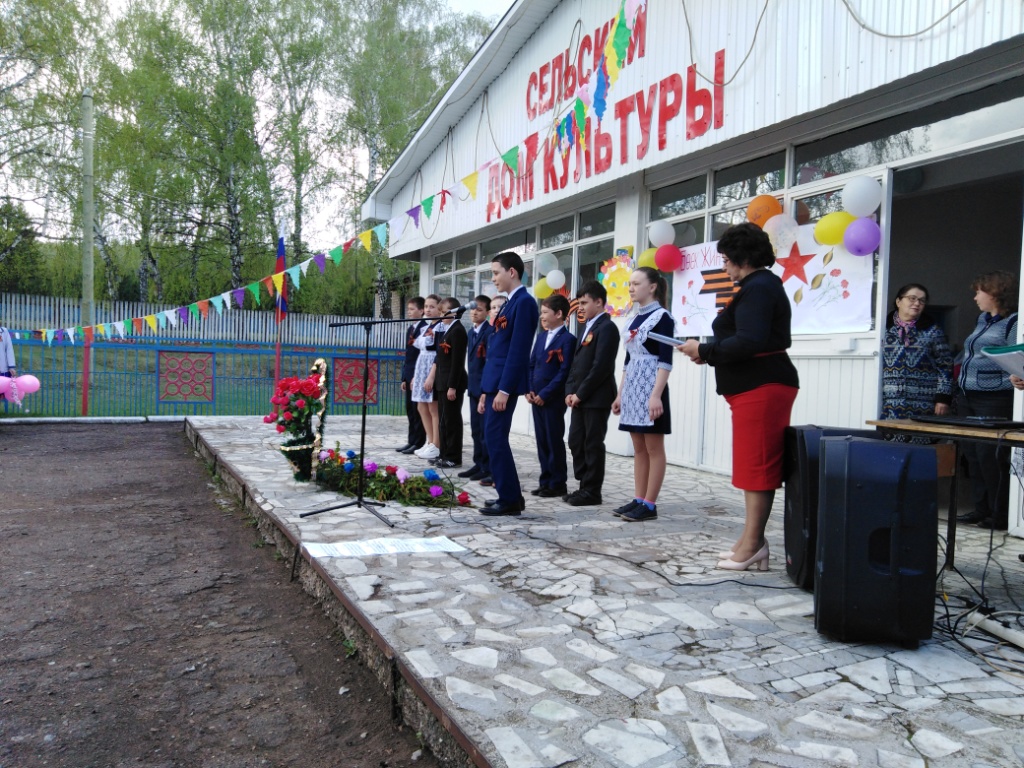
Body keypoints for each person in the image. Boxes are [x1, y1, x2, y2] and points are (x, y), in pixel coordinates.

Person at [678, 223, 799, 572]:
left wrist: (705, 350)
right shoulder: (756, 286)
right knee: (751, 464)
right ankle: (751, 539)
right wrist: (708, 353)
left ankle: (753, 544)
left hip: (762, 386)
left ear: (742, 258)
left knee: (758, 466)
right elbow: (745, 339)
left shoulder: (759, 287)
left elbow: (750, 340)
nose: (724, 266)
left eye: (727, 260)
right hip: (753, 386)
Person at [955, 270, 1019, 530]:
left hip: (994, 397)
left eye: (978, 292)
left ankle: (999, 513)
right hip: (968, 395)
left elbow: (1016, 358)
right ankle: (981, 509)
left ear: (994, 293)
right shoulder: (983, 319)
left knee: (990, 456)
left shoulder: (1013, 322)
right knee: (972, 454)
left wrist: (1013, 379)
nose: (975, 297)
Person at [478, 254, 539, 516]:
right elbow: (498, 347)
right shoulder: (510, 303)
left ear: (511, 272)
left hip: (504, 384)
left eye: (496, 272)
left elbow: (518, 350)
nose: (493, 278)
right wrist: (487, 390)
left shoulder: (524, 302)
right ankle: (510, 495)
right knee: (493, 438)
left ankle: (510, 498)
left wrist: (504, 389)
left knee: (495, 438)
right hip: (495, 383)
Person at [611, 267, 674, 522]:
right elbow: (628, 361)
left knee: (653, 447)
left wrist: (656, 395)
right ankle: (638, 498)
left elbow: (666, 360)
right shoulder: (633, 318)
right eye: (630, 284)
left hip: (651, 388)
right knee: (638, 447)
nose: (631, 288)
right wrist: (620, 394)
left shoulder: (663, 317)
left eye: (636, 283)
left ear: (653, 287)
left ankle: (650, 503)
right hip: (633, 387)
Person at [564, 281, 619, 507]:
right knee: (576, 441)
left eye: (585, 303)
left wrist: (581, 393)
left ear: (599, 302)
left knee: (592, 444)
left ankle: (592, 491)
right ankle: (583, 485)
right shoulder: (587, 327)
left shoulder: (607, 328)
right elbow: (576, 363)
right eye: (579, 303)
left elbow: (601, 367)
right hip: (579, 398)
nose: (581, 308)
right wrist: (570, 391)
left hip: (596, 398)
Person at [881, 283, 953, 441]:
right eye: (912, 298)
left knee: (920, 445)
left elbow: (945, 365)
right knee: (889, 447)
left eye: (922, 300)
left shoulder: (932, 331)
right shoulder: (882, 329)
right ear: (898, 301)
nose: (917, 303)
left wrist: (943, 398)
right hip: (888, 403)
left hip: (923, 402)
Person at [527, 294, 575, 498]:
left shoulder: (568, 340)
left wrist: (545, 394)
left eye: (545, 312)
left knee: (553, 440)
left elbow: (564, 372)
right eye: (541, 312)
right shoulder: (541, 337)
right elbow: (531, 365)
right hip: (535, 397)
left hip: (553, 399)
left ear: (559, 314)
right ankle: (545, 480)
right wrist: (530, 389)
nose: (542, 316)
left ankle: (557, 483)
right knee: (541, 440)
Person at [431, 297, 468, 469]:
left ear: (453, 312)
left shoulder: (458, 331)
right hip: (442, 383)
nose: (440, 315)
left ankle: (453, 456)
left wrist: (452, 386)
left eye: (443, 311)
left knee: (451, 421)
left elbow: (457, 362)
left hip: (451, 384)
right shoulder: (448, 330)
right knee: (443, 421)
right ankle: (443, 454)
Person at [459, 295, 493, 481]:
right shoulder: (471, 332)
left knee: (484, 431)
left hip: (484, 388)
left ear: (487, 312)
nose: (474, 312)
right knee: (475, 429)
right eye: (473, 309)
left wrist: (485, 390)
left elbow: (488, 363)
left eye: (479, 310)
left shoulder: (489, 332)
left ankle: (487, 466)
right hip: (473, 387)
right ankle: (478, 462)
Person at [475, 294, 506, 488]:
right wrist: (484, 394)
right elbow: (488, 365)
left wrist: (503, 390)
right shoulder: (493, 333)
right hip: (489, 389)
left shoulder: (505, 332)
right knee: (488, 435)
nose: (495, 311)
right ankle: (494, 472)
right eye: (493, 308)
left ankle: (500, 476)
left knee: (497, 436)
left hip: (501, 391)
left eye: (499, 307)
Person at [412, 295, 442, 460]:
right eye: (426, 306)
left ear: (439, 308)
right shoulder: (425, 327)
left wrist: (431, 376)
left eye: (432, 306)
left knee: (433, 408)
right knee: (421, 406)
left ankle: (436, 444)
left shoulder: (440, 327)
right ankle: (429, 441)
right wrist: (415, 377)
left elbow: (437, 351)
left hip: (432, 368)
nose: (428, 310)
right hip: (421, 367)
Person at [397, 297, 427, 454]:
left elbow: (422, 356)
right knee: (409, 410)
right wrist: (404, 377)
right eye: (408, 309)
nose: (409, 312)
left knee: (417, 410)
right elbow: (408, 355)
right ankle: (411, 440)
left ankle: (419, 442)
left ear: (421, 311)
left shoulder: (425, 329)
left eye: (412, 309)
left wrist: (417, 376)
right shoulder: (411, 329)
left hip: (418, 376)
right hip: (409, 375)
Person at [0, 324, 16, 404]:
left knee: (1, 393)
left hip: (2, 368)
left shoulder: (4, 331)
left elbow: (9, 349)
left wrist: (11, 366)